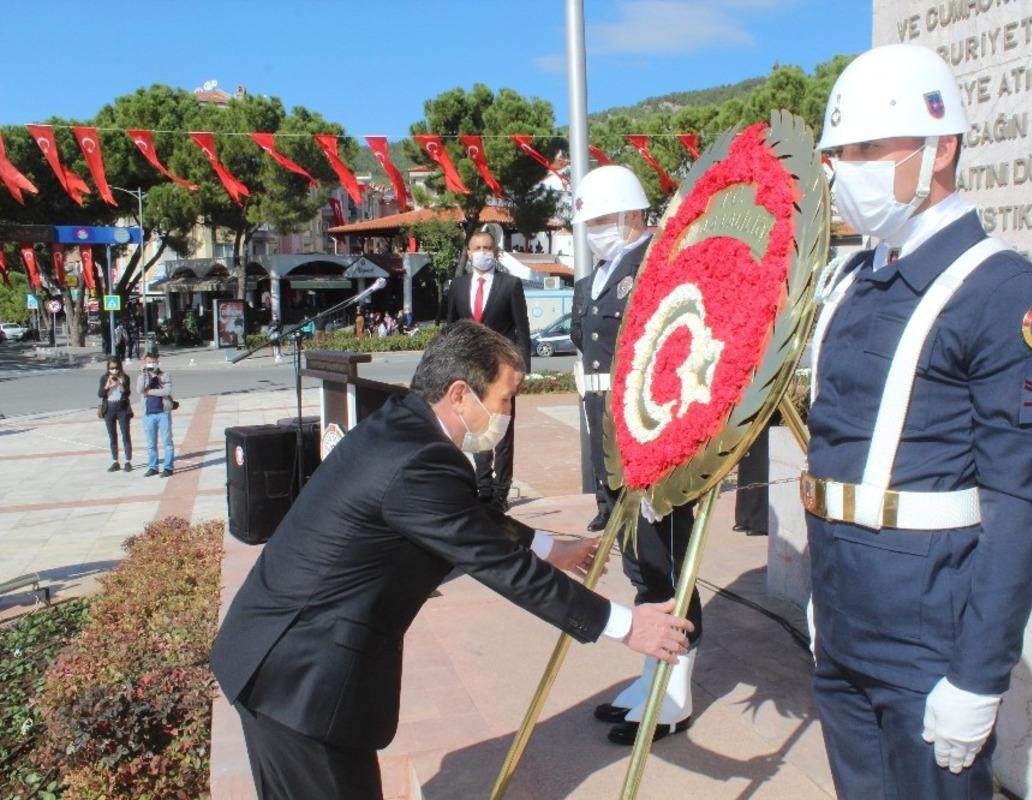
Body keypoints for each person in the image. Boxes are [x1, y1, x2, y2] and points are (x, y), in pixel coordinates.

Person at [209, 321, 692, 800]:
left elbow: (464, 520)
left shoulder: (402, 423)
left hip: (277, 658)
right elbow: (501, 568)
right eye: (505, 398)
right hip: (300, 681)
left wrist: (550, 548)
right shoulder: (420, 460)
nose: (508, 413)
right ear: (460, 394)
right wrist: (626, 625)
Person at [805, 43, 1032, 799]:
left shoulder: (1006, 294)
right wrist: (826, 601)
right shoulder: (855, 281)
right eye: (838, 154)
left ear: (941, 147)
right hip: (844, 621)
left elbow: (1021, 507)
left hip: (930, 640)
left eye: (865, 148)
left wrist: (979, 676)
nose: (846, 169)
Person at [569, 165, 700, 745]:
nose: (595, 231)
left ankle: (677, 685)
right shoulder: (593, 277)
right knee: (637, 561)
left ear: (631, 214)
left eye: (602, 220)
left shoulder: (657, 263)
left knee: (668, 558)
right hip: (606, 435)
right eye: (589, 222)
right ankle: (652, 671)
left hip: (650, 435)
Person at [445, 230, 531, 512]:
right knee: (477, 428)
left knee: (503, 433)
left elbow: (522, 330)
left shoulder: (510, 285)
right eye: (477, 247)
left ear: (495, 252)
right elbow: (451, 330)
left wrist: (522, 369)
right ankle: (483, 487)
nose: (483, 252)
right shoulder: (457, 286)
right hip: (470, 372)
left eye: (488, 247)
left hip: (503, 372)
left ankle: (500, 492)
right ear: (468, 253)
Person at [137, 350, 175, 478]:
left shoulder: (164, 375)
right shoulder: (143, 375)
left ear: (158, 362)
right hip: (148, 414)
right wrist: (143, 374)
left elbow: (166, 391)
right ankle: (153, 467)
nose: (151, 364)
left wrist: (150, 391)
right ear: (144, 363)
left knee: (167, 441)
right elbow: (139, 390)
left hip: (163, 412)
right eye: (149, 362)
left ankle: (168, 467)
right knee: (151, 443)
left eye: (153, 362)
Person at [98, 357, 133, 472]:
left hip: (122, 409)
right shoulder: (104, 378)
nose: (114, 370)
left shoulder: (125, 377)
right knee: (112, 436)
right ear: (108, 368)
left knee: (125, 434)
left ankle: (128, 461)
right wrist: (107, 385)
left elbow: (127, 393)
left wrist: (120, 385)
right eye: (111, 368)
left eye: (116, 368)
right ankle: (115, 461)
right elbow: (100, 394)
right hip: (109, 410)